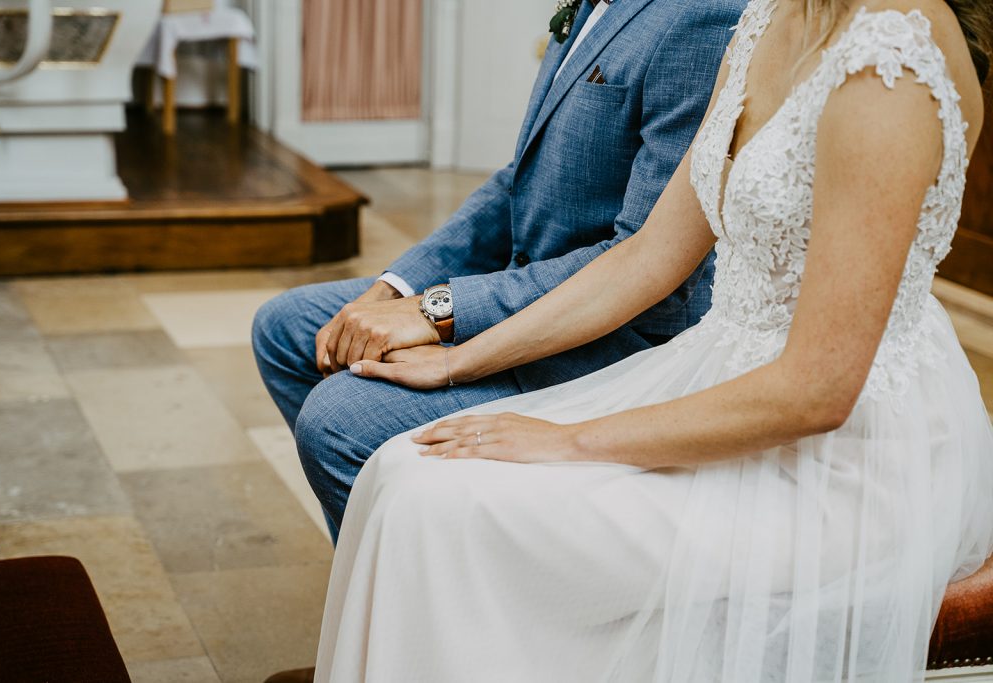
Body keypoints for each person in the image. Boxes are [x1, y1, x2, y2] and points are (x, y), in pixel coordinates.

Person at [314, 0, 993, 680]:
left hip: (840, 461)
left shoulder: (889, 66)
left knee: (442, 508)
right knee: (402, 472)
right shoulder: (770, 17)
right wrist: (458, 361)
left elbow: (817, 392)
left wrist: (568, 440)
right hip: (723, 372)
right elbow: (647, 256)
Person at [252, 0, 746, 544]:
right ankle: (384, 548)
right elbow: (518, 180)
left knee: (337, 421)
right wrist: (393, 289)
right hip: (527, 279)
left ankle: (422, 573)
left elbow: (642, 256)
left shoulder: (700, 18)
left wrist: (437, 313)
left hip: (611, 337)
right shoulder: (590, 7)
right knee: (288, 327)